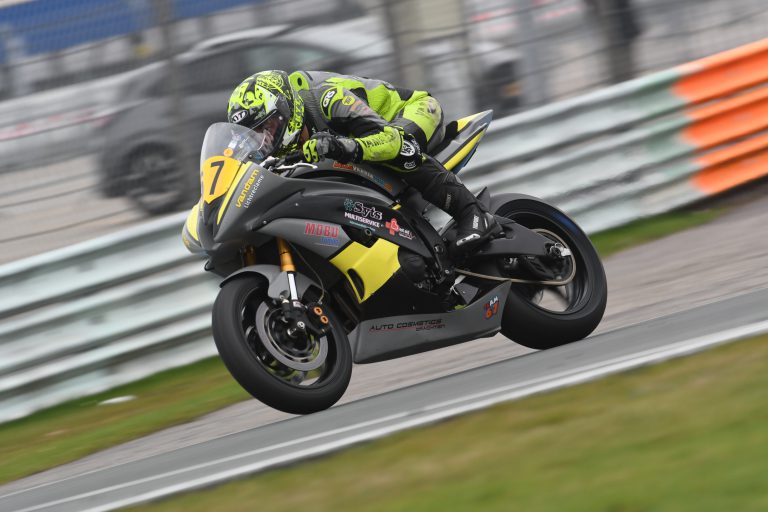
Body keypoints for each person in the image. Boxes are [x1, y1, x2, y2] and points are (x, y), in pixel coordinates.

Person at [226, 69, 499, 253]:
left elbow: (390, 140)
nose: (265, 139)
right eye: (256, 135)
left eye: (269, 126)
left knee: (396, 150)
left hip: (413, 113)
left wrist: (343, 146)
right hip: (372, 142)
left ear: (287, 110)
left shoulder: (327, 98)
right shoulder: (276, 150)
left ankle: (472, 213)